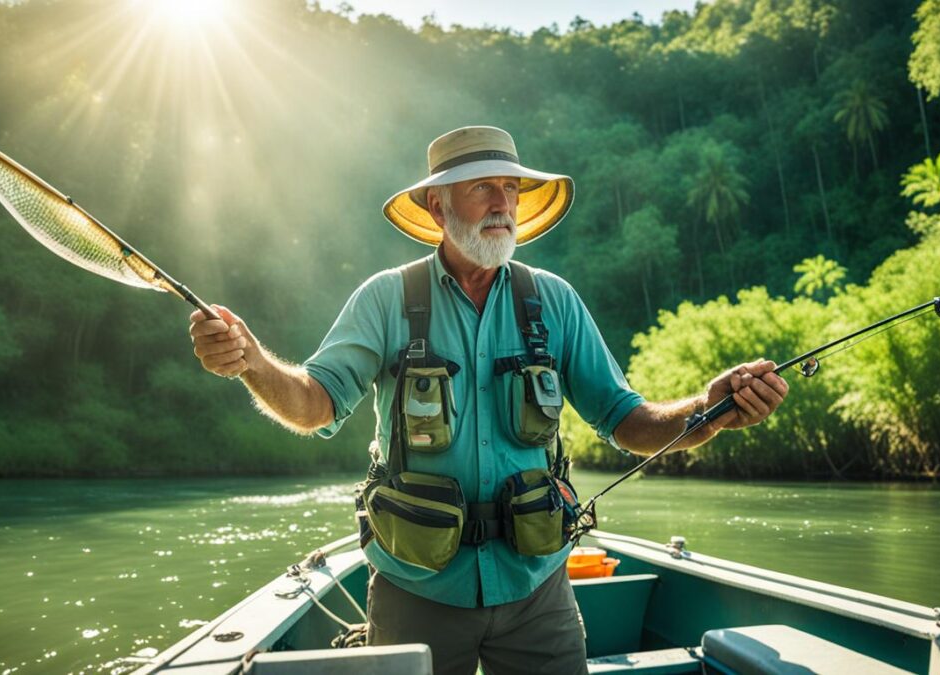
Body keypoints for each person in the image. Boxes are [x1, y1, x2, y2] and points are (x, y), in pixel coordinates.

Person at [188, 126, 788, 675]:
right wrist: (252, 362)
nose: (503, 204)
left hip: (537, 589)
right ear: (438, 205)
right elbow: (314, 404)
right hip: (415, 588)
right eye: (483, 188)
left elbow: (628, 422)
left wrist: (707, 413)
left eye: (511, 188)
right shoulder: (385, 299)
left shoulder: (554, 301)